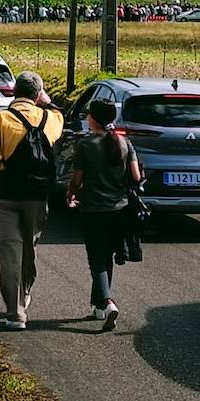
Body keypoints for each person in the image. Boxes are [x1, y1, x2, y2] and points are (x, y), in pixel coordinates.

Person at [0, 72, 63, 330]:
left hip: (5, 193)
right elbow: (57, 117)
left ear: (12, 92)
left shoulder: (1, 119)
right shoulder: (51, 119)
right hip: (37, 194)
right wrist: (46, 101)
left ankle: (15, 313)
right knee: (29, 247)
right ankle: (26, 291)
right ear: (37, 95)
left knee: (10, 251)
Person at [66, 98, 142, 332]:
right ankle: (98, 306)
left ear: (94, 119)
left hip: (93, 210)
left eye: (89, 114)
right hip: (119, 210)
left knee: (96, 260)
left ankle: (108, 303)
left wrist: (70, 194)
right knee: (106, 257)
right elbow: (136, 176)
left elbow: (77, 179)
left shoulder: (86, 145)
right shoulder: (123, 142)